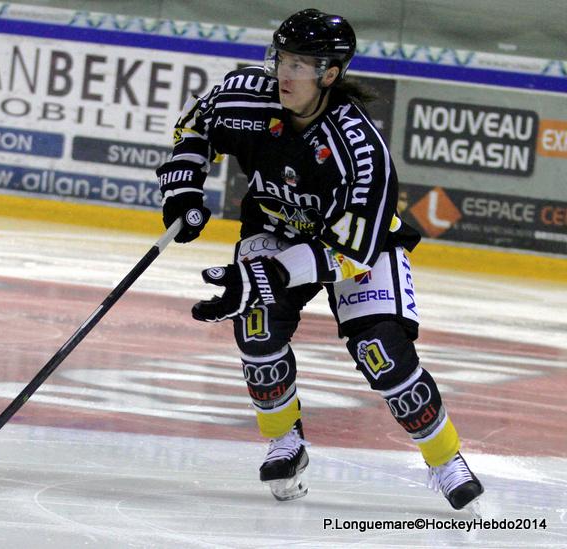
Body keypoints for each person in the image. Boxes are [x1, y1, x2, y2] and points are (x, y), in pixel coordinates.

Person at [156, 8, 484, 510]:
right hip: (274, 228)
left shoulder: (359, 147)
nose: (284, 73)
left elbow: (352, 249)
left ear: (329, 74)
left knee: (381, 352)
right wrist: (183, 189)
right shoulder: (246, 95)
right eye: (281, 59)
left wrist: (268, 274)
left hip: (358, 247)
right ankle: (285, 442)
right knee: (257, 326)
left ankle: (445, 459)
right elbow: (194, 127)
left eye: (299, 65)